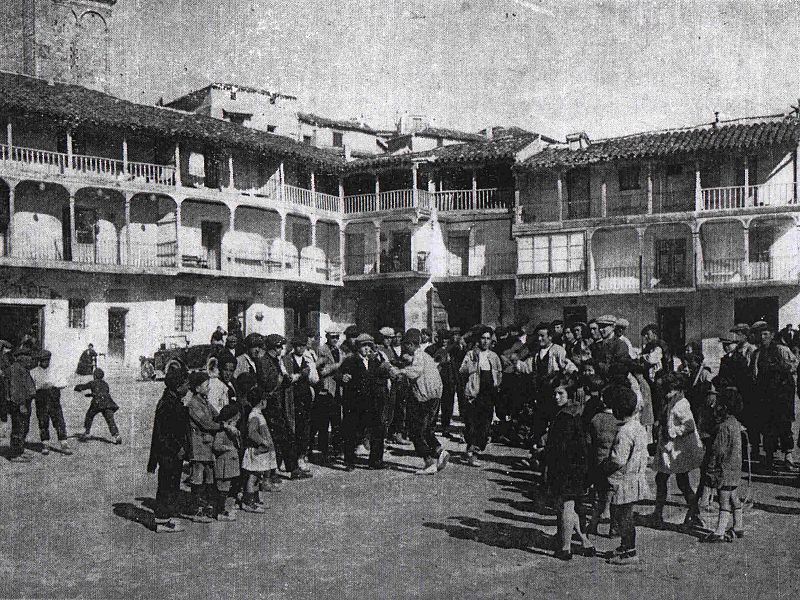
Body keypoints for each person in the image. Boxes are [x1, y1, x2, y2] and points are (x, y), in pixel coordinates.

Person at [544, 374, 593, 561]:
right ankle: (585, 542)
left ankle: (565, 547)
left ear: (570, 395)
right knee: (571, 507)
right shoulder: (578, 411)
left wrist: (544, 453)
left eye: (560, 393)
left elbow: (559, 447)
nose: (556, 397)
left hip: (565, 467)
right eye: (554, 393)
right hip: (578, 466)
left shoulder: (564, 416)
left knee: (565, 506)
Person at [647, 372, 704, 528]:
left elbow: (690, 426)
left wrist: (672, 431)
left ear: (677, 389)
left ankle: (694, 512)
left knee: (681, 482)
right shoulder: (670, 401)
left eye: (668, 390)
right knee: (663, 479)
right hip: (669, 448)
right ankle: (659, 513)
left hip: (678, 449)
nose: (665, 394)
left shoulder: (682, 404)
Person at [603, 382, 651, 565]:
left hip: (624, 479)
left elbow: (618, 459)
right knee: (625, 513)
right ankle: (625, 546)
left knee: (624, 516)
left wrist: (604, 468)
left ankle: (630, 551)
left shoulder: (624, 432)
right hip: (635, 476)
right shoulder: (638, 427)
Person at [515, 322, 577, 452]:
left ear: (550, 337)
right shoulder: (536, 353)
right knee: (539, 423)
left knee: (554, 424)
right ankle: (538, 454)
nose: (539, 339)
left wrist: (563, 382)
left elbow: (569, 367)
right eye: (538, 336)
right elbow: (528, 368)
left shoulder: (558, 350)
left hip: (554, 394)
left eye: (542, 336)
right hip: (540, 394)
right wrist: (516, 362)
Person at [394, 329, 448, 475]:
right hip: (434, 396)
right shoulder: (425, 356)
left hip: (424, 397)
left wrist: (401, 371)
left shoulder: (418, 356)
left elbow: (415, 371)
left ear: (411, 344)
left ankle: (429, 461)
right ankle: (439, 451)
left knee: (416, 431)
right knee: (427, 429)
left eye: (406, 344)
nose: (404, 347)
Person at [340, 333, 392, 470]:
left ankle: (376, 461)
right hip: (355, 402)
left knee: (377, 430)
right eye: (364, 346)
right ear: (358, 347)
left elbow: (383, 374)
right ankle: (349, 461)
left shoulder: (375, 361)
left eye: (369, 346)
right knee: (353, 431)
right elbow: (339, 374)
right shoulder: (350, 361)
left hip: (373, 402)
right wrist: (343, 377)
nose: (367, 349)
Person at [750, 321, 798, 470]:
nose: (763, 337)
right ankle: (769, 456)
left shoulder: (781, 349)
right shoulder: (756, 354)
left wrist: (781, 368)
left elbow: (794, 365)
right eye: (760, 334)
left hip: (782, 396)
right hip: (766, 396)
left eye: (766, 334)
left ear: (771, 335)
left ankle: (788, 456)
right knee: (768, 427)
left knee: (784, 425)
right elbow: (754, 374)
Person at [147, 367, 190, 533]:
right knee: (166, 486)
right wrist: (176, 448)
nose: (188, 387)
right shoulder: (167, 404)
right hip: (168, 454)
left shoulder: (173, 399)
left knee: (172, 485)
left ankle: (166, 518)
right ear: (178, 386)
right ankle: (162, 521)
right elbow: (162, 433)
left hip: (172, 454)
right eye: (186, 384)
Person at [700, 387, 744, 543]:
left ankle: (719, 531)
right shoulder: (736, 423)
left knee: (723, 500)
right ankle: (738, 525)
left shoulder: (723, 427)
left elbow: (718, 450)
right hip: (735, 467)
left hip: (724, 469)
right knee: (734, 497)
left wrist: (711, 468)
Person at [186, 371, 227, 522]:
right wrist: (223, 425)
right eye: (206, 385)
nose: (208, 388)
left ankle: (207, 505)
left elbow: (216, 414)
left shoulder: (204, 401)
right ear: (197, 388)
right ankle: (196, 510)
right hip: (198, 447)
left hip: (207, 446)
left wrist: (224, 417)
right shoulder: (193, 404)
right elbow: (206, 423)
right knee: (197, 477)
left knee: (209, 476)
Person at [459, 326, 502, 467]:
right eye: (483, 338)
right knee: (472, 423)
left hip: (488, 394)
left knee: (485, 424)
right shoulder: (471, 354)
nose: (485, 341)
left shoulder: (494, 356)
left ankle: (475, 450)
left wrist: (496, 386)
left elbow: (499, 373)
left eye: (488, 338)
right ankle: (471, 451)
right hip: (474, 393)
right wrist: (474, 362)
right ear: (479, 339)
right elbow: (462, 370)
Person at [282, 336, 319, 474]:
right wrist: (299, 375)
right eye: (298, 345)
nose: (300, 348)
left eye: (303, 345)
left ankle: (301, 457)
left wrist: (310, 371)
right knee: (292, 430)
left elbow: (315, 379)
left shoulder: (308, 359)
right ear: (294, 346)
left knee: (304, 429)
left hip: (305, 398)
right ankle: (290, 460)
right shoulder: (286, 359)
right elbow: (287, 377)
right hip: (292, 398)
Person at [586, 383, 619, 536]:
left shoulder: (596, 418)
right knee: (613, 496)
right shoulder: (619, 422)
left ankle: (593, 525)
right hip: (613, 464)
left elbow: (589, 441)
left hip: (597, 462)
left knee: (598, 496)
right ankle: (613, 527)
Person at [311, 329, 344, 465]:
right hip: (326, 389)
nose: (335, 339)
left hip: (337, 389)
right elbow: (321, 371)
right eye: (333, 337)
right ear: (327, 337)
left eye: (337, 337)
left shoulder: (339, 351)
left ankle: (337, 450)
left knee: (337, 422)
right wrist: (337, 366)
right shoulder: (322, 350)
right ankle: (323, 452)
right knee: (323, 423)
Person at [30, 349, 71, 455]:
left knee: (59, 421)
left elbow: (64, 382)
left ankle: (64, 444)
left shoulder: (56, 370)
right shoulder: (33, 372)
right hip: (41, 400)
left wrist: (53, 384)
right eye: (43, 360)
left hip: (54, 400)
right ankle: (45, 444)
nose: (45, 362)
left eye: (47, 360)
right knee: (43, 422)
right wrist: (40, 386)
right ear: (39, 361)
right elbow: (30, 387)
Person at [241, 390, 276, 513]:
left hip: (261, 452)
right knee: (253, 477)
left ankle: (255, 499)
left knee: (257, 476)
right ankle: (248, 502)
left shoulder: (258, 413)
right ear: (262, 401)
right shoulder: (254, 415)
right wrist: (262, 441)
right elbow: (252, 433)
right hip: (256, 451)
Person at [7, 347, 37, 462]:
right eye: (28, 357)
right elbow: (15, 390)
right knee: (18, 428)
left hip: (25, 402)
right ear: (21, 358)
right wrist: (21, 405)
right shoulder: (16, 369)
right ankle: (15, 454)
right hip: (20, 404)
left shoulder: (23, 368)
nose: (30, 359)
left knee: (24, 427)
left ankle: (20, 450)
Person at [212, 403, 241, 521]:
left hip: (230, 464)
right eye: (235, 421)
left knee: (228, 487)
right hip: (224, 465)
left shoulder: (233, 432)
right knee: (222, 488)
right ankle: (220, 511)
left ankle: (226, 508)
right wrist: (227, 448)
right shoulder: (221, 432)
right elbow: (216, 446)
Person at [76, 368, 121, 444]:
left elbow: (83, 387)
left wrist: (77, 387)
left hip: (97, 403)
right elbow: (103, 393)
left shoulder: (92, 383)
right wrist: (91, 394)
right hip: (108, 403)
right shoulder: (106, 384)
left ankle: (87, 432)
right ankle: (116, 435)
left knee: (89, 415)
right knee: (110, 420)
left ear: (95, 376)